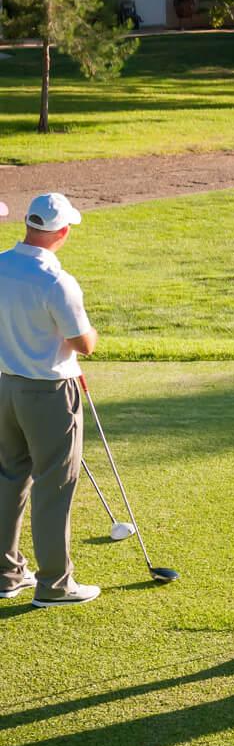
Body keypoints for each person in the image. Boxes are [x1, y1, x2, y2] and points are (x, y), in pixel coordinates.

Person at [0, 193, 102, 606]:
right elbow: (83, 343)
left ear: (28, 224)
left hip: (4, 386)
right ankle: (54, 585)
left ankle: (6, 575)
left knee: (9, 479)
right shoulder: (57, 281)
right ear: (62, 231)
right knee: (54, 486)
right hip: (49, 392)